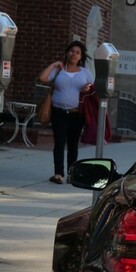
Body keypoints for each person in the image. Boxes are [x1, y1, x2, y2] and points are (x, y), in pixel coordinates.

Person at [38, 41, 94, 184]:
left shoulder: (85, 73)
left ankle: (71, 173)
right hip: (59, 112)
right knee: (59, 142)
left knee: (73, 144)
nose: (74, 54)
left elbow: (93, 90)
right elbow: (42, 78)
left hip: (77, 114)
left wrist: (86, 90)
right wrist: (54, 64)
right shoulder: (59, 71)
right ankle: (58, 173)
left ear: (80, 56)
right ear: (67, 53)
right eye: (72, 51)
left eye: (77, 52)